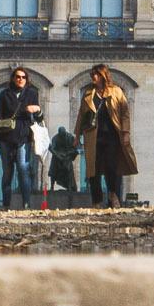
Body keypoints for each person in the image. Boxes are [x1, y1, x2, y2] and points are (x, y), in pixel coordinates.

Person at [77, 66, 136, 206]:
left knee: (112, 167)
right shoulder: (88, 93)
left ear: (103, 75)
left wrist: (126, 132)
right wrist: (76, 136)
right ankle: (96, 201)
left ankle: (113, 196)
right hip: (93, 136)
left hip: (112, 135)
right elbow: (81, 116)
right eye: (92, 75)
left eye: (96, 74)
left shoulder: (116, 92)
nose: (93, 77)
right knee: (93, 169)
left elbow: (125, 113)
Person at [0, 91, 27, 209]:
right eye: (17, 77)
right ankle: (6, 204)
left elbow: (33, 117)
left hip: (21, 140)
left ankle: (26, 203)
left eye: (23, 77)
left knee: (22, 169)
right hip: (5, 139)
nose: (20, 79)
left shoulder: (30, 94)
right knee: (7, 172)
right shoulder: (4, 94)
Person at [20, 92, 50, 208]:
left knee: (34, 168)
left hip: (36, 144)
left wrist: (38, 110)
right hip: (26, 141)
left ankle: (36, 194)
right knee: (25, 167)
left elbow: (40, 118)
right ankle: (27, 196)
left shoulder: (34, 108)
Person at [49, 119, 82, 202]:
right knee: (53, 167)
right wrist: (58, 155)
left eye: (63, 134)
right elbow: (51, 148)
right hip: (58, 156)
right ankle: (52, 186)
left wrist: (70, 153)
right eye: (61, 135)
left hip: (67, 156)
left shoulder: (70, 137)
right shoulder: (55, 138)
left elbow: (77, 146)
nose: (62, 136)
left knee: (68, 167)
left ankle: (70, 186)